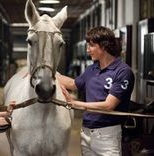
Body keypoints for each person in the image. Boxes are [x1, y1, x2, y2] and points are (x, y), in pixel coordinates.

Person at [57, 26, 135, 156]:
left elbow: (109, 105)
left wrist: (76, 104)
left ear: (104, 46)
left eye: (92, 45)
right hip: (86, 132)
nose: (88, 50)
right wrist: (46, 72)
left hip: (107, 135)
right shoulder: (91, 69)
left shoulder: (122, 71)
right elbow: (73, 84)